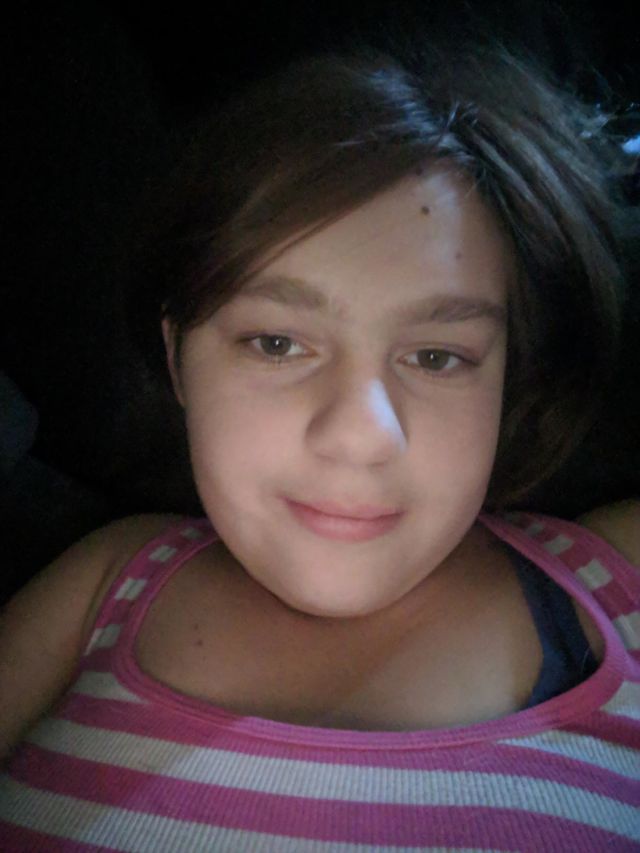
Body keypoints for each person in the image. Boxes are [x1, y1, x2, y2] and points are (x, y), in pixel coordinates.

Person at [0, 34, 638, 851]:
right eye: (276, 344)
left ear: (508, 378)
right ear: (179, 358)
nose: (361, 436)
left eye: (437, 357)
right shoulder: (105, 580)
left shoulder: (617, 581)